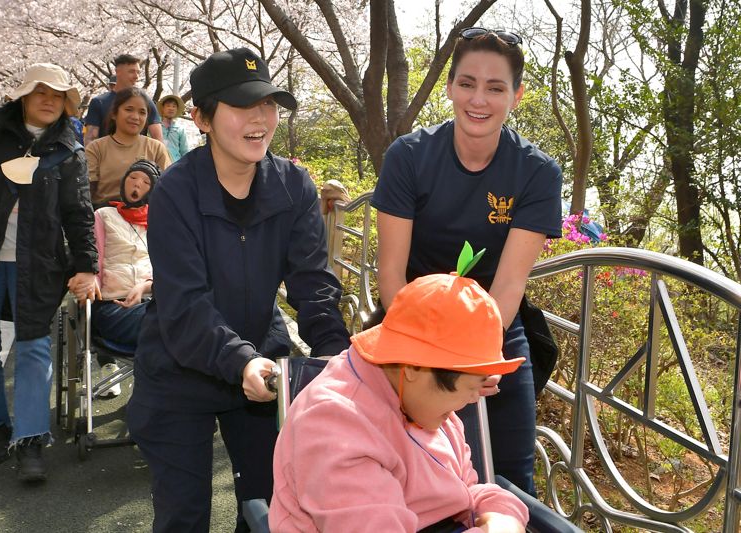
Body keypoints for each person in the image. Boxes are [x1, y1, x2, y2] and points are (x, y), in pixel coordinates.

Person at [126, 47, 351, 533]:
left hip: (263, 366)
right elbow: (185, 305)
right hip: (179, 366)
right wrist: (239, 359)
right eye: (241, 106)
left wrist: (338, 356)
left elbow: (312, 283)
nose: (260, 119)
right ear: (201, 118)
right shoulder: (175, 192)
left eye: (268, 104)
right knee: (183, 514)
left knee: (271, 507)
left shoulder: (294, 185)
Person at [372, 28, 563, 496]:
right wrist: (426, 356)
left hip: (490, 324)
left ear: (516, 95)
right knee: (387, 462)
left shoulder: (536, 172)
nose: (479, 99)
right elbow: (391, 273)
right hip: (409, 318)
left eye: (496, 88)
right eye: (467, 83)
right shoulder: (408, 157)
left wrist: (474, 361)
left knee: (510, 474)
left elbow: (510, 283)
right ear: (450, 86)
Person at [270, 271, 529, 532]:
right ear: (415, 368)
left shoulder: (419, 401)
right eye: (470, 388)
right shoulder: (332, 427)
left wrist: (503, 514)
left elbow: (465, 489)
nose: (473, 400)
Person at [0, 63, 98, 482]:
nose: (50, 101)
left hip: (38, 261)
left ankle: (30, 438)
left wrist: (87, 265)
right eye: (41, 92)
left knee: (33, 347)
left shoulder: (69, 148)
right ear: (24, 96)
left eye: (58, 95)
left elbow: (78, 212)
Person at [91, 159, 159, 397]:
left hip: (152, 301)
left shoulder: (160, 222)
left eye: (145, 182)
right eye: (132, 178)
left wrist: (145, 286)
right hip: (113, 306)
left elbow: (169, 270)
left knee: (174, 316)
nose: (137, 184)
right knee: (169, 321)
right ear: (123, 182)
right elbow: (92, 262)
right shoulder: (103, 215)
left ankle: (152, 399)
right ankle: (149, 400)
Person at [85, 87, 170, 206]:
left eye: (142, 112)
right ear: (114, 113)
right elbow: (87, 193)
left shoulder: (156, 148)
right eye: (129, 109)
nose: (135, 117)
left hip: (145, 218)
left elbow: (168, 190)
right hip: (104, 216)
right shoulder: (96, 148)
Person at [83, 54, 163, 145]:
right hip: (105, 156)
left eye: (138, 72)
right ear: (118, 72)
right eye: (131, 71)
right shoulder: (99, 102)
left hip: (138, 156)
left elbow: (158, 140)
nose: (136, 76)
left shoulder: (146, 102)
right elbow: (90, 139)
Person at [157, 94, 190, 162]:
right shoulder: (155, 125)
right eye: (168, 106)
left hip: (175, 167)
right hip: (156, 166)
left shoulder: (180, 129)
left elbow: (184, 152)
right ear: (163, 108)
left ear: (177, 109)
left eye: (174, 106)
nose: (171, 108)